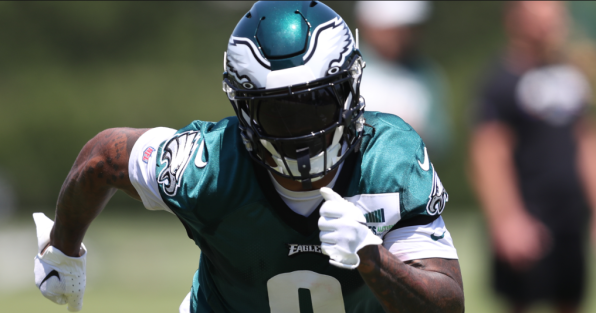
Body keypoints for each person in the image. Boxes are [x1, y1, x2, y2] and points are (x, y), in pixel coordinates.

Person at [33, 2, 464, 312]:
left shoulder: (388, 158)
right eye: (278, 111)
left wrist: (374, 259)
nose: (303, 132)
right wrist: (62, 250)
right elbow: (103, 157)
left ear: (349, 91)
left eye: (317, 103)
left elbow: (447, 304)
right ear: (243, 110)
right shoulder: (209, 166)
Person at [469, 2, 596, 313]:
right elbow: (488, 154)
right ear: (516, 20)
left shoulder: (572, 76)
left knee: (571, 300)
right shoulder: (500, 81)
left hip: (570, 220)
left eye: (555, 15)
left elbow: (586, 143)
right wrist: (507, 219)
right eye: (539, 16)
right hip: (528, 220)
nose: (551, 23)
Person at [355, 1, 451, 159]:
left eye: (410, 28)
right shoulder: (341, 69)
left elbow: (439, 140)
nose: (402, 36)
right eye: (394, 29)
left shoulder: (427, 75)